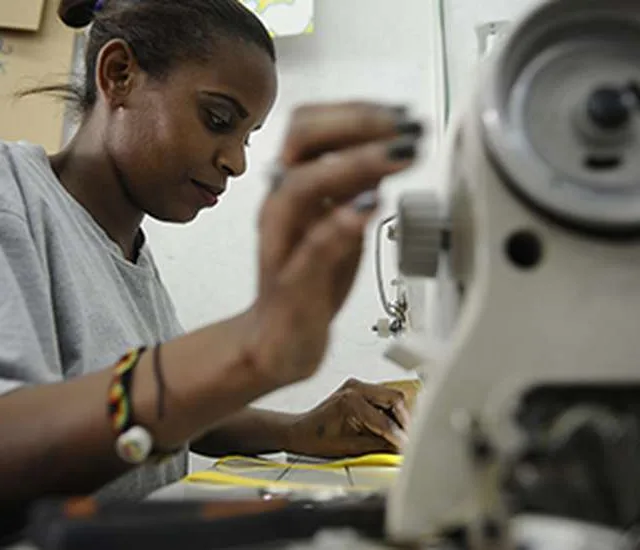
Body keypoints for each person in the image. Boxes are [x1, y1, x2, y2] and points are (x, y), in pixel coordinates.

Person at [0, 0, 423, 534]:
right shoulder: (11, 193)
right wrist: (244, 350)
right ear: (119, 75)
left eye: (246, 136)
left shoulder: (129, 250)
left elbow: (177, 412)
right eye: (217, 120)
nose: (237, 162)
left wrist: (300, 429)